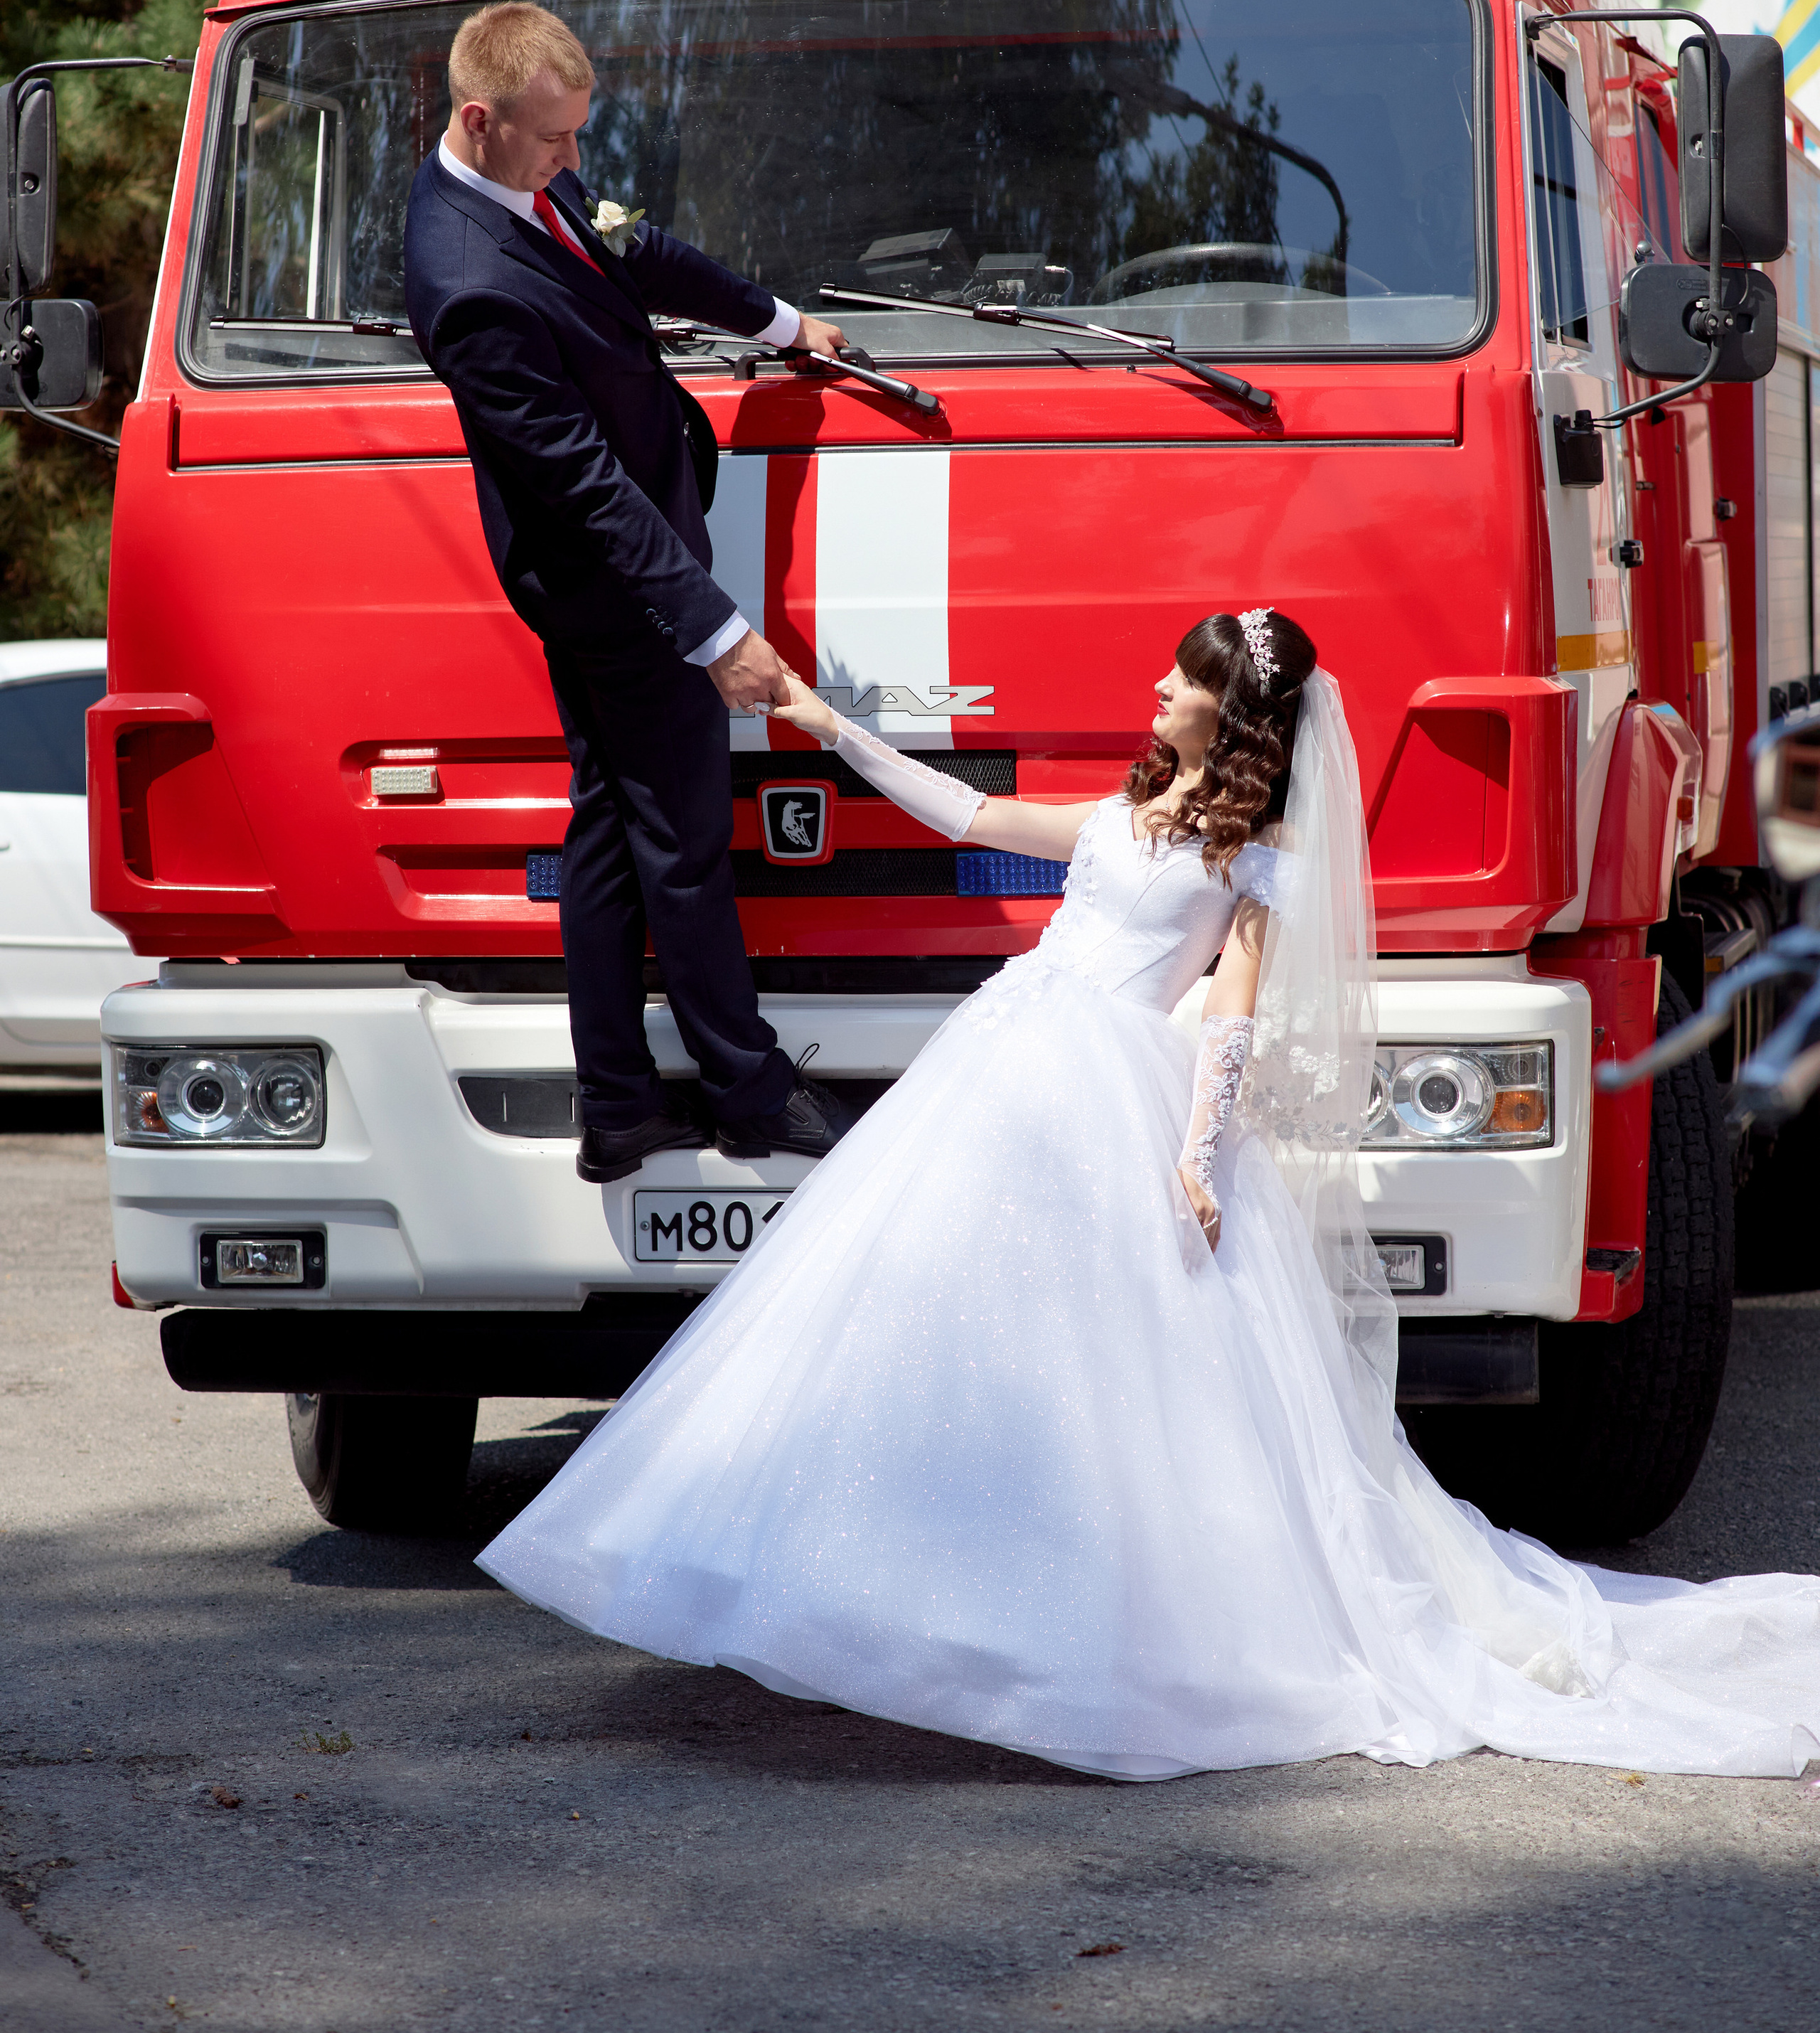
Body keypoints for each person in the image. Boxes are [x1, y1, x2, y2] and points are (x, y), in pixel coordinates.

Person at [479, 609, 1820, 1781]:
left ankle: (1055, 1622)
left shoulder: (1254, 855)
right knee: (933, 1323)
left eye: (1181, 683)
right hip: (1013, 1054)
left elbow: (1231, 1011)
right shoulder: (1132, 814)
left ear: (1229, 714)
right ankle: (914, 1593)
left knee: (1104, 1377)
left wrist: (1197, 1147)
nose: (1157, 694)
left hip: (1107, 1083)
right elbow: (977, 816)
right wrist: (830, 727)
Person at [402, 1, 855, 1183]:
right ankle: (750, 1091)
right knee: (688, 839)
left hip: (615, 563)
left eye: (579, 136)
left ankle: (616, 1106)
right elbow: (586, 487)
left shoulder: (523, 182)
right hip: (614, 582)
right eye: (555, 141)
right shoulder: (466, 282)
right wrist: (714, 630)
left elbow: (632, 250)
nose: (574, 162)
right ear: (480, 120)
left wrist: (783, 323)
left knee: (611, 829)